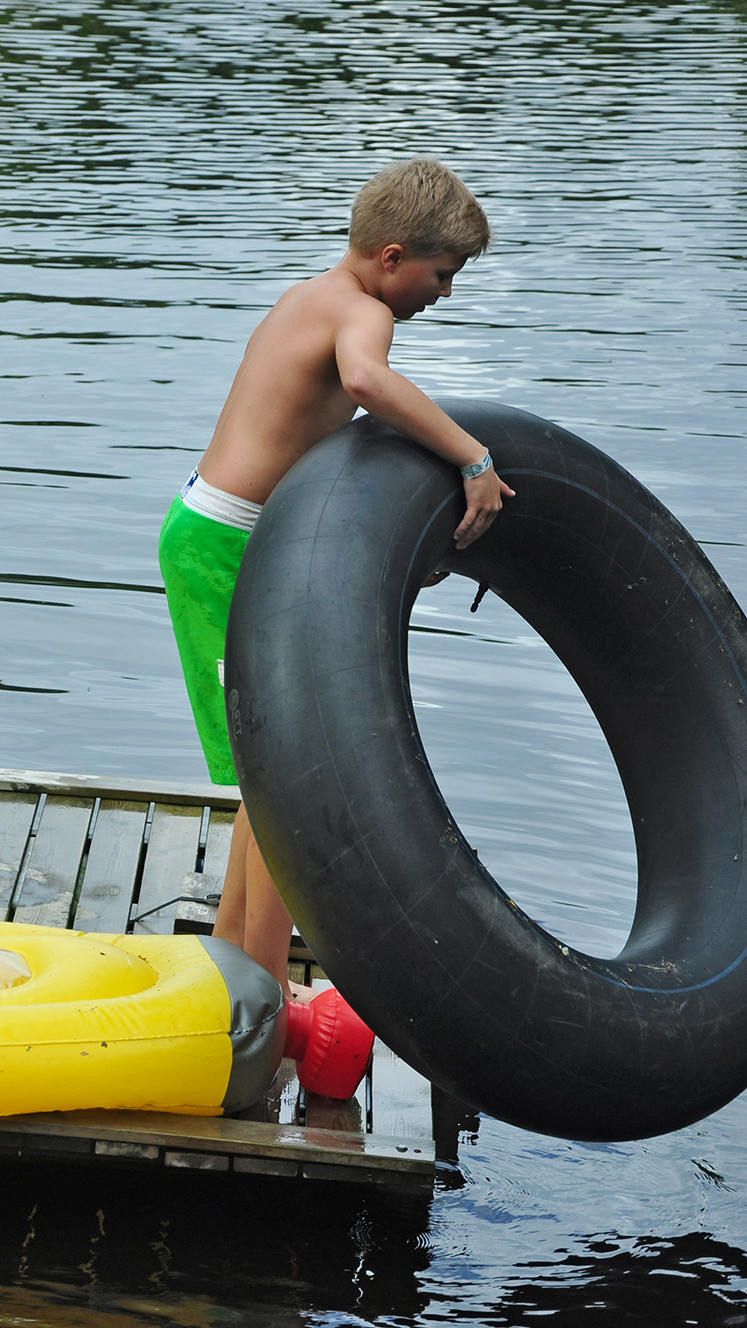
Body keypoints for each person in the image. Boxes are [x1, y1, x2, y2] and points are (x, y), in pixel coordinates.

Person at [159, 157, 513, 994]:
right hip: (223, 544)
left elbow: (316, 440)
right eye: (442, 274)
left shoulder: (309, 295)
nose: (446, 294)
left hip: (218, 529)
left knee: (265, 769)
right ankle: (263, 986)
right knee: (280, 773)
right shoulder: (363, 316)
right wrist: (472, 456)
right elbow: (363, 380)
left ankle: (237, 964)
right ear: (393, 258)